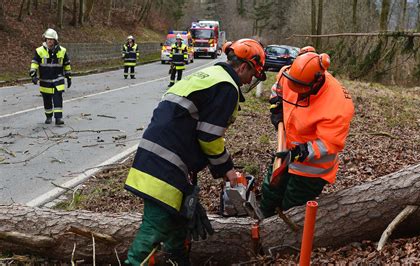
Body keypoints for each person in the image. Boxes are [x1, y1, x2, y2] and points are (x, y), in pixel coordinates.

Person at [124, 38, 266, 265]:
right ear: (243, 66)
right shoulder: (226, 87)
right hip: (166, 162)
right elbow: (209, 136)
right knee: (156, 226)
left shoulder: (208, 76)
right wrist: (227, 170)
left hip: (162, 156)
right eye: (252, 74)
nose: (250, 80)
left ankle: (178, 261)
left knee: (180, 222)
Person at [259, 48, 355, 218]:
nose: (294, 91)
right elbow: (278, 89)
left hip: (311, 168)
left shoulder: (338, 104)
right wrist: (276, 108)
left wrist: (299, 153)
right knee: (270, 191)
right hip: (285, 150)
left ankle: (285, 237)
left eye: (300, 88)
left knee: (293, 207)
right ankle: (262, 221)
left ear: (316, 82)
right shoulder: (289, 74)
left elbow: (329, 144)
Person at [29, 28, 71, 125]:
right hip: (45, 80)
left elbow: (67, 64)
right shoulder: (39, 51)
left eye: (51, 39)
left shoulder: (62, 51)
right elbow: (34, 63)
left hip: (58, 79)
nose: (49, 41)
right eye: (47, 39)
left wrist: (68, 77)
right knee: (47, 100)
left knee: (58, 99)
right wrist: (33, 74)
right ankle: (48, 117)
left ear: (55, 41)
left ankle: (58, 118)